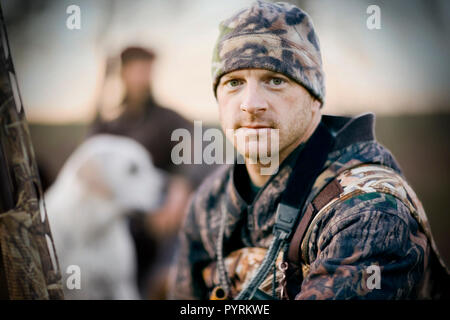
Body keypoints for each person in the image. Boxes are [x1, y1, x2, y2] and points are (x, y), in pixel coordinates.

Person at [170, 1, 449, 300]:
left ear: (314, 98)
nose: (250, 104)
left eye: (275, 80)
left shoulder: (369, 210)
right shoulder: (210, 202)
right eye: (234, 82)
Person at [89, 46, 194, 299]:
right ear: (123, 73)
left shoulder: (170, 120)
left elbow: (195, 156)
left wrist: (179, 191)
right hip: (120, 221)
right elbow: (91, 160)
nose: (142, 76)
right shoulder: (111, 125)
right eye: (136, 70)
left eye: (147, 70)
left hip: (162, 216)